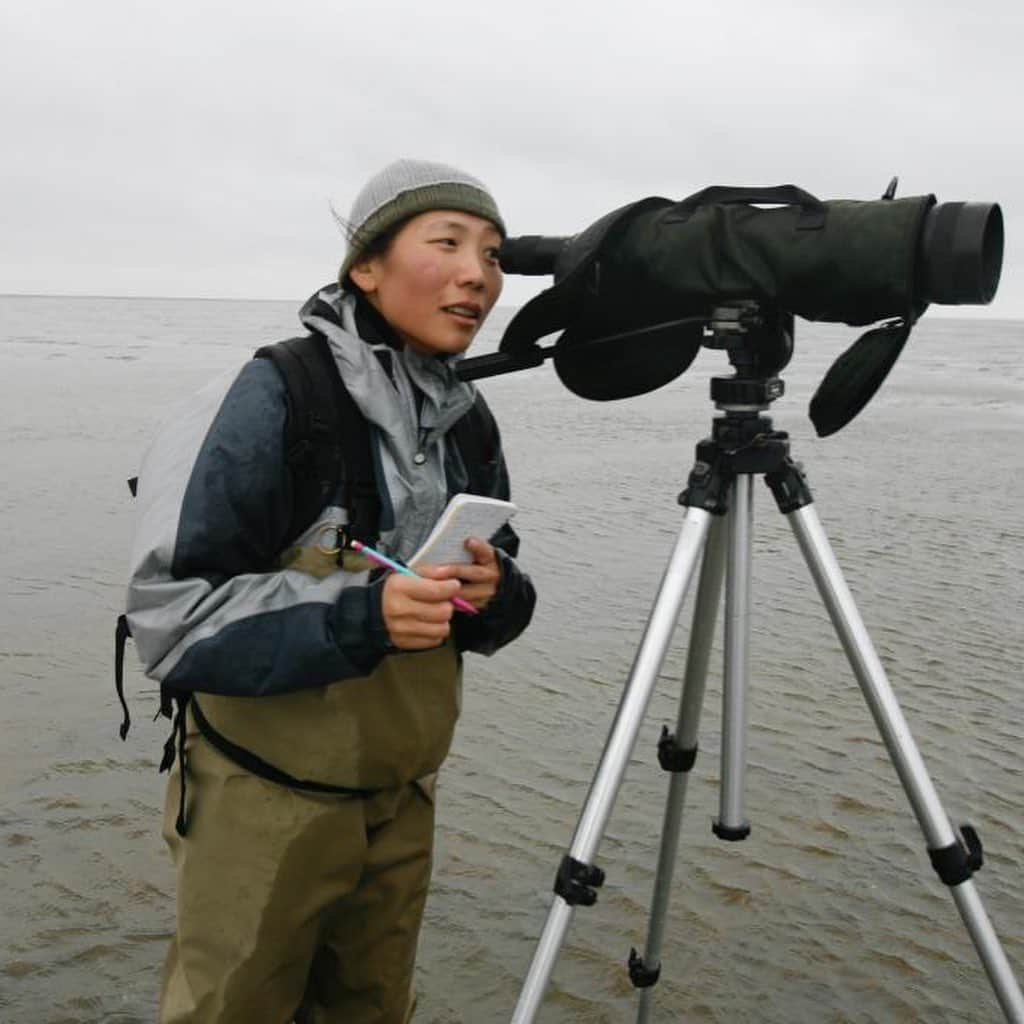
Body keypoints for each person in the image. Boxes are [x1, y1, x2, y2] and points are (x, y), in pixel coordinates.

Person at [124, 158, 536, 1023]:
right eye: (449, 243)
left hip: (401, 801)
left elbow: (494, 612)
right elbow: (170, 620)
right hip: (261, 798)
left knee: (374, 1009)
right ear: (366, 267)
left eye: (494, 255)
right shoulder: (273, 396)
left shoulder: (467, 417)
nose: (479, 275)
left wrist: (493, 592)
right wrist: (364, 611)